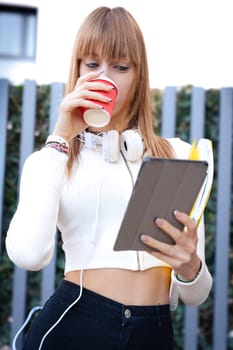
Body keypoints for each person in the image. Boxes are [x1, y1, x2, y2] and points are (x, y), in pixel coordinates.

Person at [5, 6, 212, 350]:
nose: (106, 78)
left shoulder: (176, 155)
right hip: (75, 323)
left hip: (154, 332)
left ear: (139, 74)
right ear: (77, 71)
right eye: (92, 65)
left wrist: (190, 266)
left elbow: (197, 295)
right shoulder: (52, 159)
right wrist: (60, 136)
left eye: (120, 66)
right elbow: (28, 255)